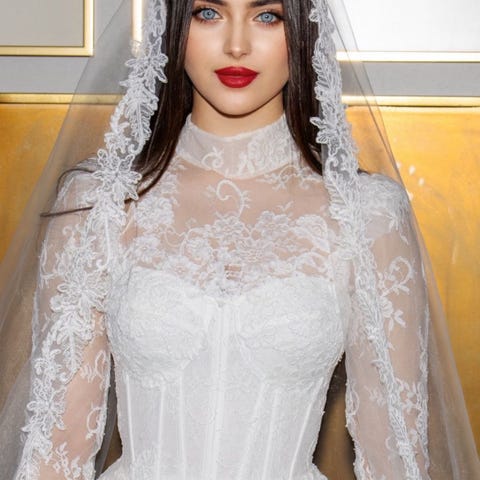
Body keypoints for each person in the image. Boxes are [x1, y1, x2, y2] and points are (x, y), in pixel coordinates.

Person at [0, 0, 478, 479]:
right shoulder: (98, 203)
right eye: (208, 13)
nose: (236, 45)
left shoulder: (368, 215)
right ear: (172, 25)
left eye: (266, 16)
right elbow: (55, 452)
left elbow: (396, 458)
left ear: (303, 30)